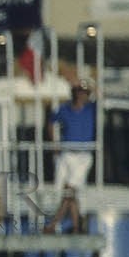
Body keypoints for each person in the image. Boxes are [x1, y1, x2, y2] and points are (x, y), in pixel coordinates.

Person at [44, 80, 97, 235]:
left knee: (70, 190)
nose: (82, 95)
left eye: (85, 93)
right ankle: (76, 226)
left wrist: (88, 81)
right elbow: (50, 122)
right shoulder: (64, 109)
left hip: (83, 155)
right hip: (66, 154)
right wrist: (55, 145)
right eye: (79, 92)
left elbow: (103, 97)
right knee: (68, 191)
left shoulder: (91, 109)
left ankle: (53, 225)